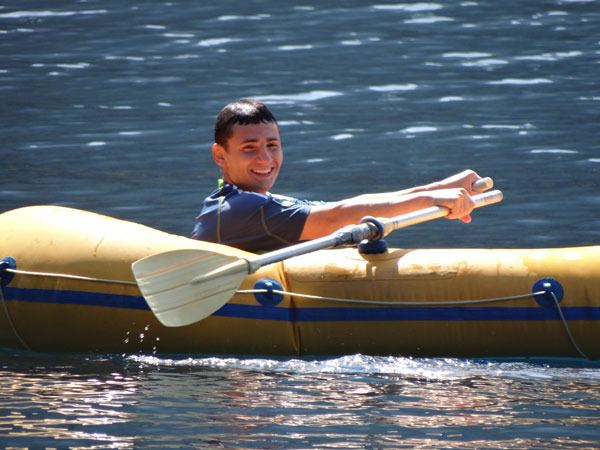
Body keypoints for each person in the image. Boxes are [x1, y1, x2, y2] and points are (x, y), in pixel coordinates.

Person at [192, 98, 481, 253]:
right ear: (220, 155)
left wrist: (442, 187)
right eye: (249, 148)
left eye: (272, 145)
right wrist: (432, 197)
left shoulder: (256, 201)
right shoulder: (241, 209)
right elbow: (337, 217)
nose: (265, 158)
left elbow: (348, 206)